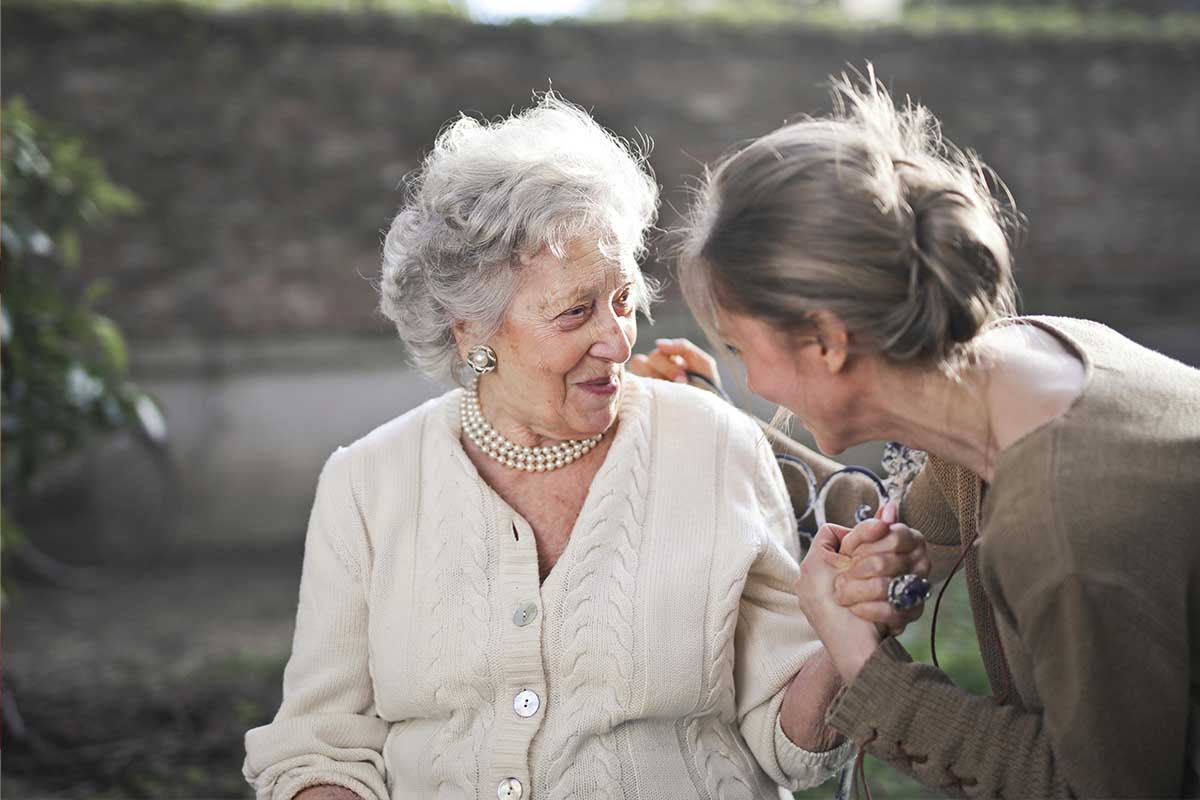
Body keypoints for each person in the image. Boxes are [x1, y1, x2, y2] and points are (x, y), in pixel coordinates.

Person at [241, 94, 930, 800]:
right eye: (576, 311)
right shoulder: (367, 483)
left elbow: (790, 746)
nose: (616, 339)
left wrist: (843, 639)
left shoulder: (712, 445)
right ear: (470, 330)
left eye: (624, 300)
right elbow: (319, 745)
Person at [643, 68, 1200, 798]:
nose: (756, 384)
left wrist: (870, 673)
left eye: (742, 351)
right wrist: (709, 419)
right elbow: (907, 518)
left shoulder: (1063, 524)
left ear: (827, 342)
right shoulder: (1022, 364)